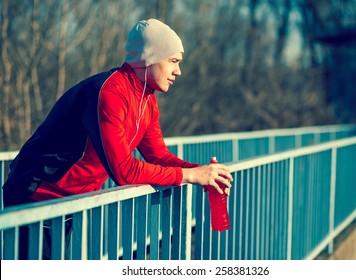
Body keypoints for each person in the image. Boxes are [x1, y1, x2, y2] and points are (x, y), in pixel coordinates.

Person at [2, 18, 233, 259]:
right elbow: (124, 171)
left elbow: (158, 156)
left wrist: (203, 173)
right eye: (173, 61)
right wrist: (189, 175)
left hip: (67, 202)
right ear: (148, 57)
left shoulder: (147, 100)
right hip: (35, 195)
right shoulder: (109, 93)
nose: (178, 71)